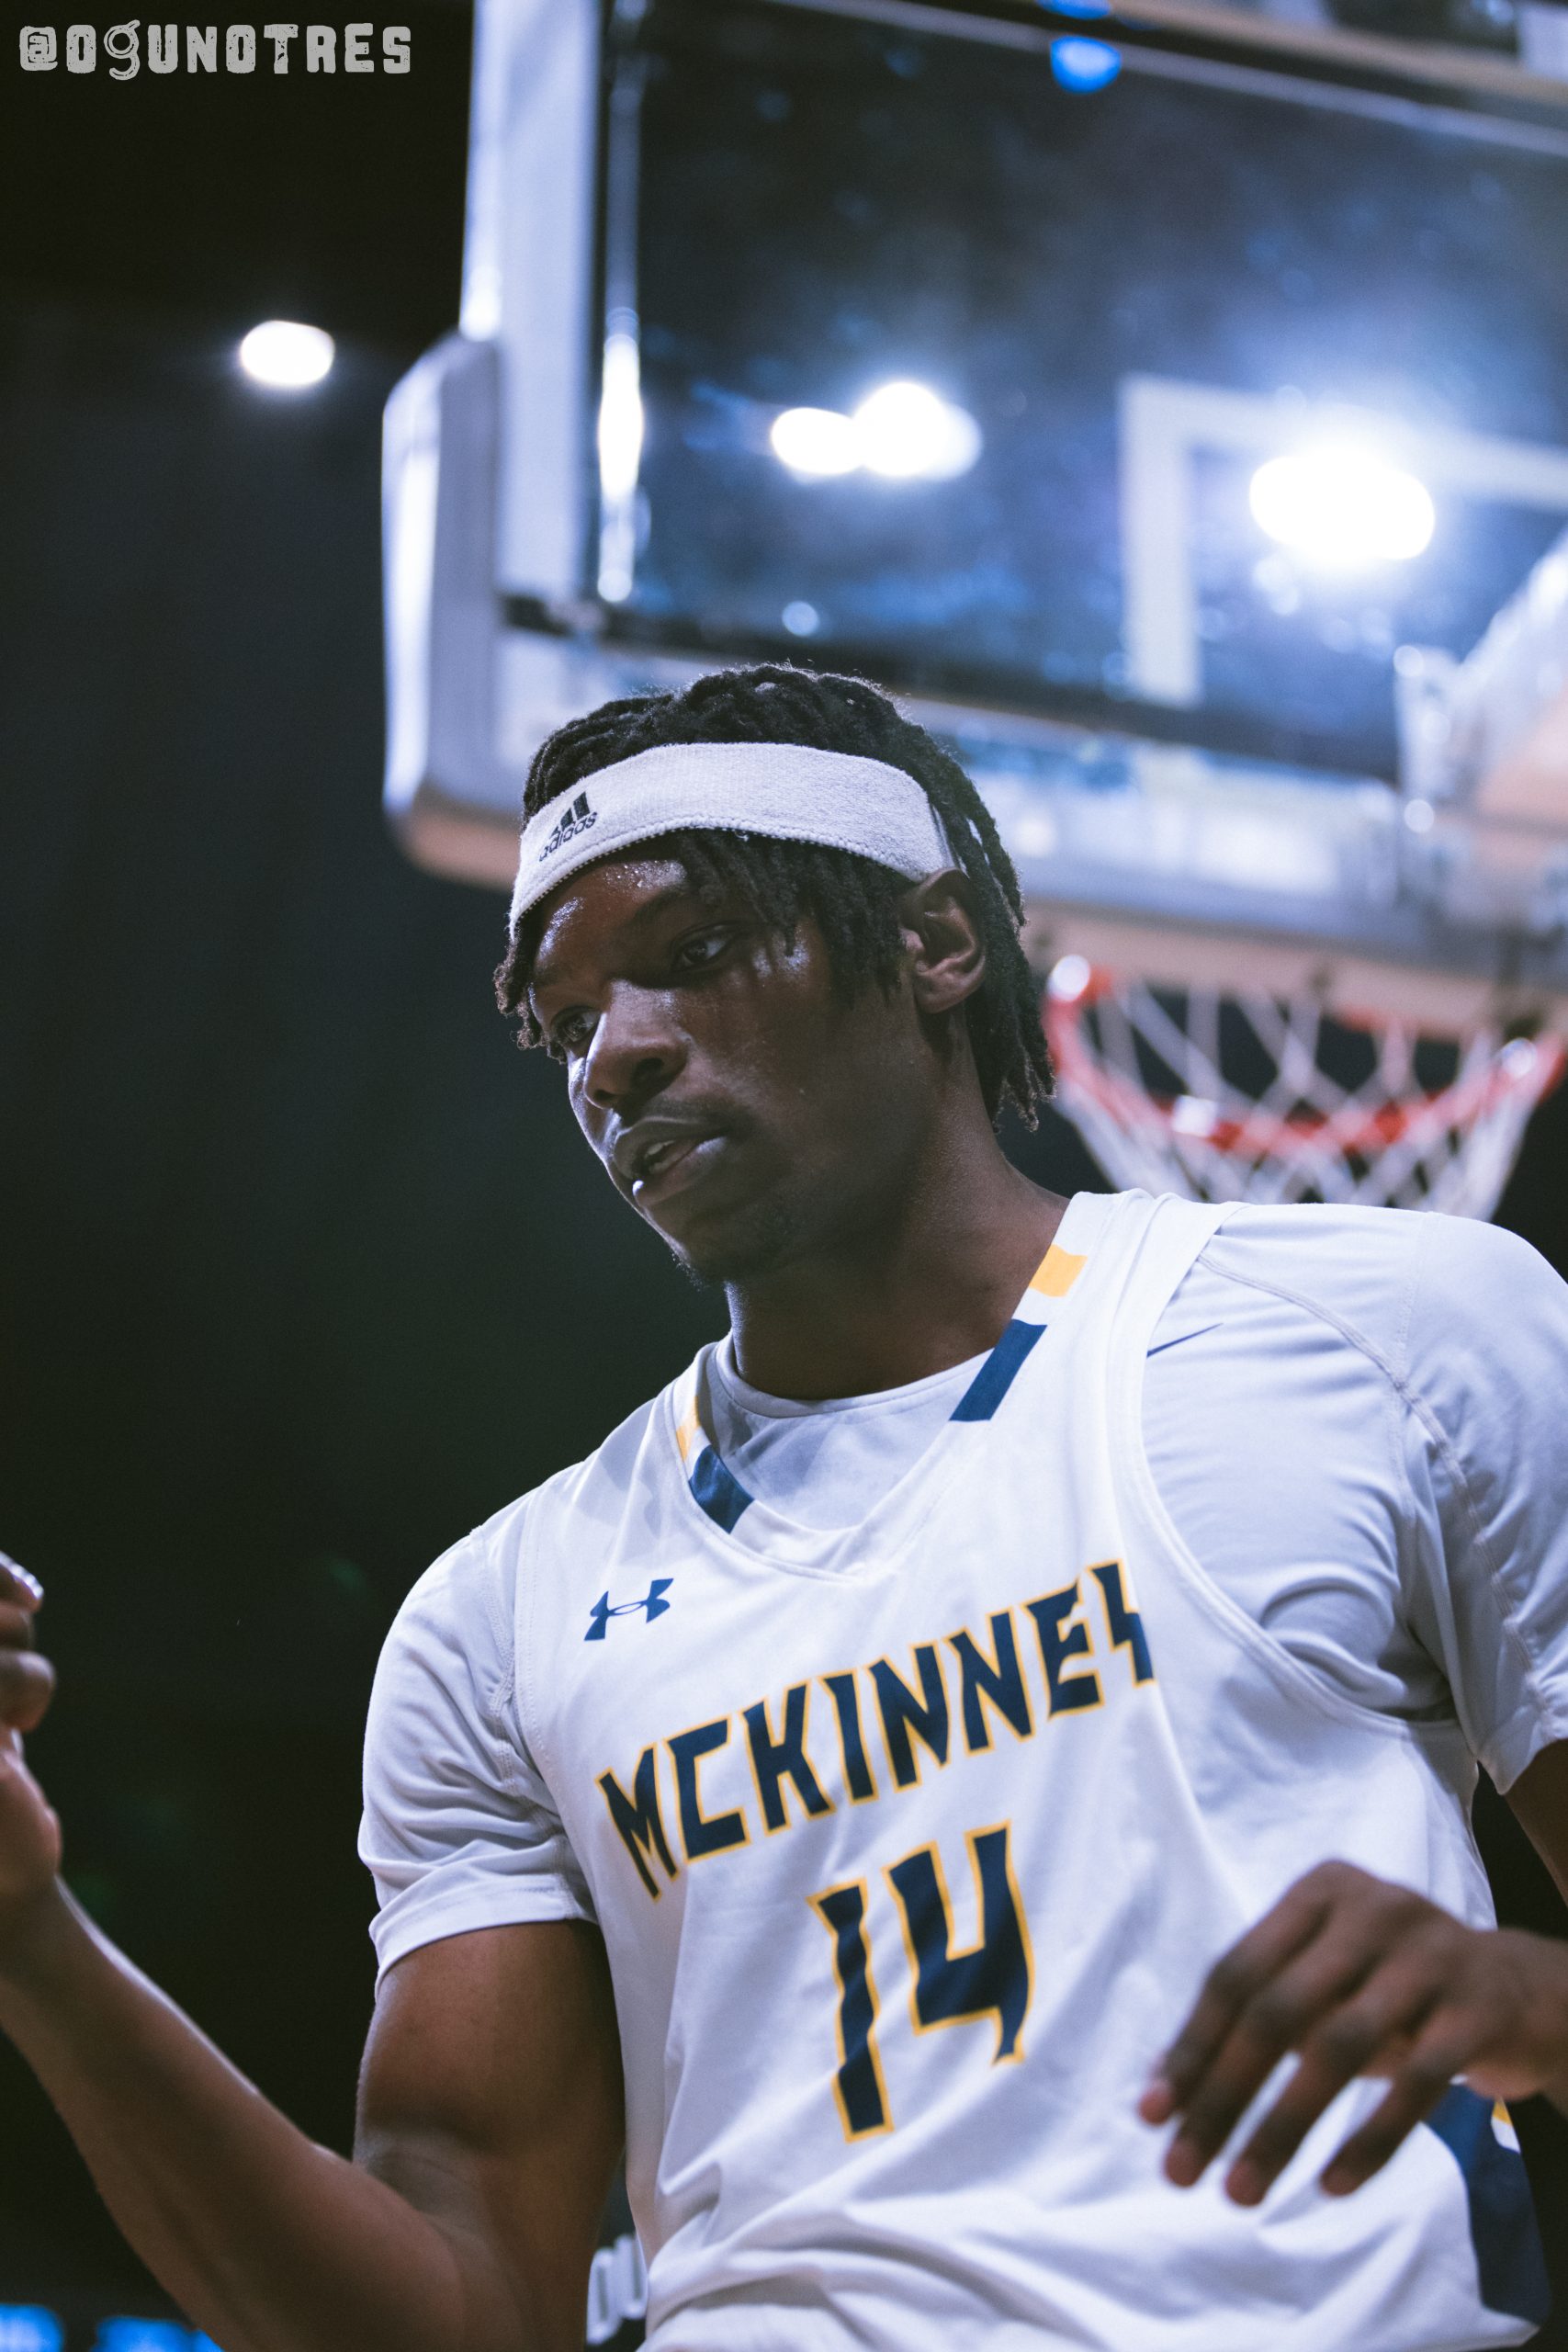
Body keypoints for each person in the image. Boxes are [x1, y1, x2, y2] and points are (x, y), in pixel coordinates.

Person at [2, 662, 1568, 2352]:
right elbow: (458, 2319)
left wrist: (1537, 2002)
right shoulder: (497, 1617)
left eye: (690, 955)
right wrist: (33, 1947)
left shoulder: (1398, 1333)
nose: (616, 1057)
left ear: (936, 945)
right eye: (568, 1022)